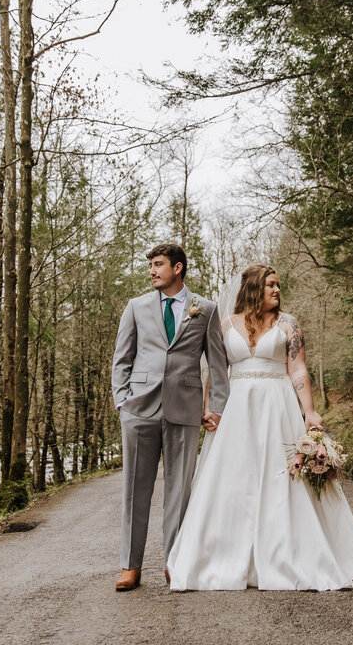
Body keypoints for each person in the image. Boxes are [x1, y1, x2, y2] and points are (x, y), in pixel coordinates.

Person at [165, 264, 353, 591]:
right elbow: (216, 370)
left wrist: (309, 412)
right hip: (237, 408)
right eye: (270, 285)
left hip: (278, 405)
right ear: (254, 288)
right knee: (233, 479)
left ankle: (288, 552)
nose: (276, 290)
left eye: (278, 285)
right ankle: (225, 556)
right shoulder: (226, 324)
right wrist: (210, 409)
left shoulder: (288, 324)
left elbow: (297, 369)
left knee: (280, 479)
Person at [111, 243, 229, 591]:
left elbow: (218, 365)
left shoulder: (204, 309)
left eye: (158, 265)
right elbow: (122, 358)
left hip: (186, 409)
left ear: (178, 268)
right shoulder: (136, 307)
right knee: (136, 489)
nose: (152, 271)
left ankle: (174, 562)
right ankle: (130, 566)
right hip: (139, 409)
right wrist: (122, 401)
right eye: (150, 265)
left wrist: (217, 408)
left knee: (180, 491)